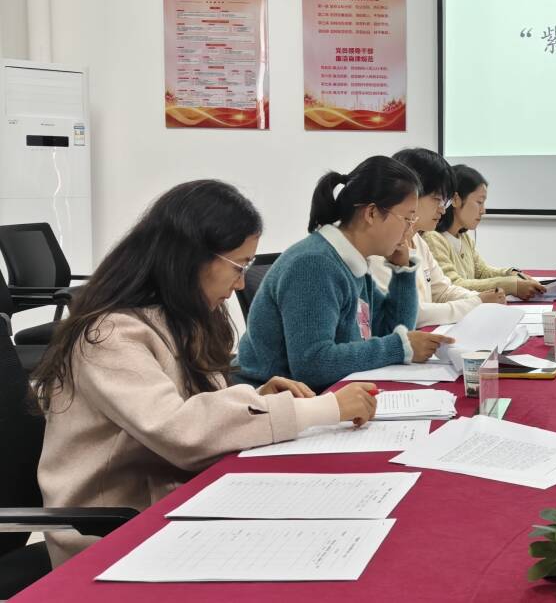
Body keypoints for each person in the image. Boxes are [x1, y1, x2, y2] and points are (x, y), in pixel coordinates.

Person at [33, 180, 378, 566]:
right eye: (239, 266)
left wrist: (255, 399)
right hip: (111, 533)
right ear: (191, 257)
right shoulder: (110, 335)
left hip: (173, 500)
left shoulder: (183, 317)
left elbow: (197, 406)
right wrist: (321, 409)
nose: (241, 282)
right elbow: (181, 432)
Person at [236, 156, 453, 390]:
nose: (410, 230)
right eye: (408, 219)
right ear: (371, 214)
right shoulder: (314, 264)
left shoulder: (353, 262)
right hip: (269, 398)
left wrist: (403, 272)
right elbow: (313, 364)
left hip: (321, 393)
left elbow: (393, 330)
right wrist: (400, 347)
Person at [369, 148, 504, 327]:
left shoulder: (418, 240)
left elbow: (442, 291)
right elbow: (412, 313)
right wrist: (476, 303)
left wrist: (480, 298)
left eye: (445, 201)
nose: (442, 209)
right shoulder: (380, 247)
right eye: (437, 199)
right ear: (410, 194)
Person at [425, 164, 546, 300]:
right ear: (456, 200)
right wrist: (511, 285)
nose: (483, 210)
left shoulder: (463, 237)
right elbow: (454, 285)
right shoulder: (433, 238)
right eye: (479, 202)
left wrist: (511, 274)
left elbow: (482, 272)